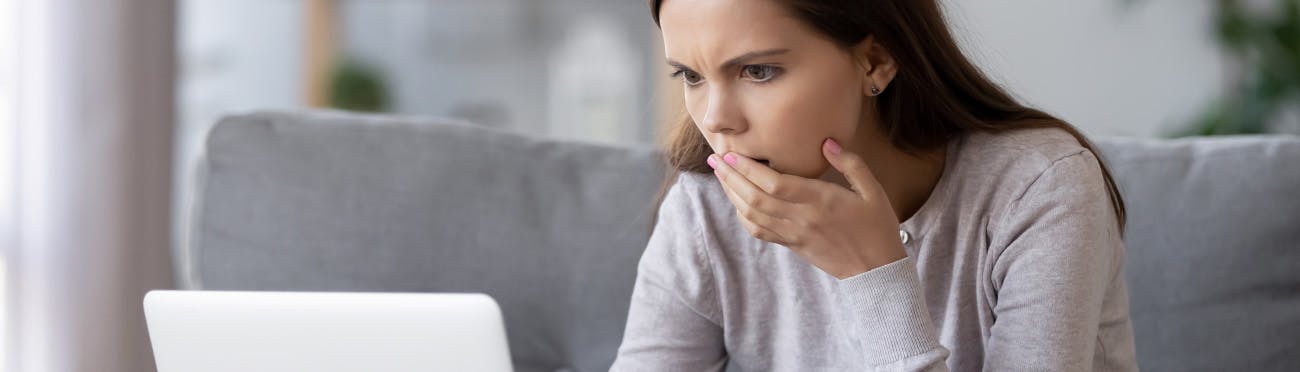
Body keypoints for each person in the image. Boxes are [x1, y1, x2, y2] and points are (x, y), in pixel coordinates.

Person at [610, 0, 1139, 370]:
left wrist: (875, 275)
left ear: (876, 61)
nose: (717, 120)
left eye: (759, 71)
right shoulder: (706, 206)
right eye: (691, 77)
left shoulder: (1040, 190)